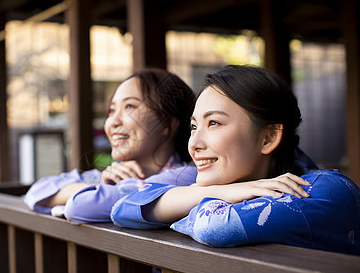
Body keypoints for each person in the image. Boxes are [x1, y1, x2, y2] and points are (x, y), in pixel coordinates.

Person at [111, 65, 360, 256]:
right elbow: (123, 208)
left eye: (214, 123)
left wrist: (185, 201)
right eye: (193, 126)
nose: (194, 143)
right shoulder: (235, 182)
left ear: (268, 138)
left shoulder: (325, 189)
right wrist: (231, 190)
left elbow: (214, 226)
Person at [24, 68, 198, 220]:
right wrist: (100, 186)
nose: (112, 122)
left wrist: (102, 191)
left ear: (167, 124)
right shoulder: (109, 176)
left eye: (129, 106)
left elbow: (81, 205)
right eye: (112, 110)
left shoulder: (185, 178)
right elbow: (37, 192)